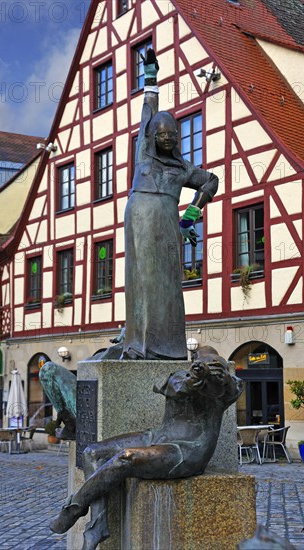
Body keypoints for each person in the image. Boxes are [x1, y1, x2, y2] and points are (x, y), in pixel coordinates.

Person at [49, 351, 243, 550]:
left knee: (126, 459)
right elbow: (180, 388)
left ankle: (73, 508)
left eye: (213, 365)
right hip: (157, 436)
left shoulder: (227, 387)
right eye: (201, 363)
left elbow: (231, 388)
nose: (206, 368)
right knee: (92, 452)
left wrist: (221, 377)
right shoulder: (179, 377)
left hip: (187, 450)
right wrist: (197, 377)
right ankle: (98, 526)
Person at [122, 49, 218, 360]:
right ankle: (137, 342)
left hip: (164, 221)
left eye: (172, 134)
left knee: (163, 283)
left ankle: (162, 345)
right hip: (137, 215)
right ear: (152, 136)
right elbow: (148, 108)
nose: (168, 139)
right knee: (138, 278)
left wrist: (189, 217)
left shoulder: (182, 169)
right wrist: (151, 76)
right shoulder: (143, 153)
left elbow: (211, 181)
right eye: (162, 134)